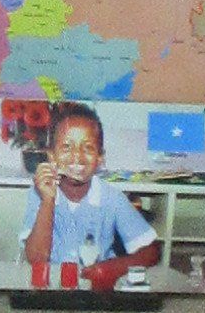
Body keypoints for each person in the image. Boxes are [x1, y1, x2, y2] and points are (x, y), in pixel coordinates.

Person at [20, 102, 161, 289]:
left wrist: (114, 268)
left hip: (97, 289)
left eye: (88, 148)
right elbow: (36, 259)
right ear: (51, 156)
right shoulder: (40, 193)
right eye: (66, 147)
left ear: (100, 158)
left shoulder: (111, 198)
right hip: (52, 288)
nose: (77, 157)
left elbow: (151, 251)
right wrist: (48, 200)